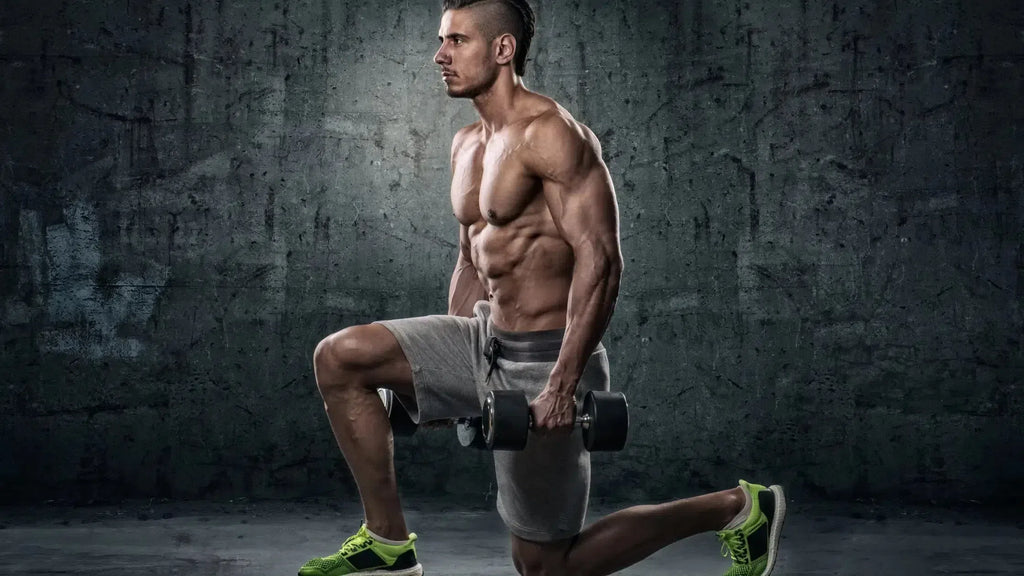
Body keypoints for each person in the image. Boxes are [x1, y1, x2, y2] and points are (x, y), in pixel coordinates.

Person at [298, 1, 786, 575]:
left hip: (546, 359)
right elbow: (471, 256)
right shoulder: (467, 142)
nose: (440, 56)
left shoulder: (552, 135)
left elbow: (601, 262)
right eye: (441, 40)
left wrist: (562, 385)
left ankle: (737, 508)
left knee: (544, 566)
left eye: (457, 41)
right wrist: (448, 376)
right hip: (485, 335)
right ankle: (388, 544)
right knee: (342, 359)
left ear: (502, 50)